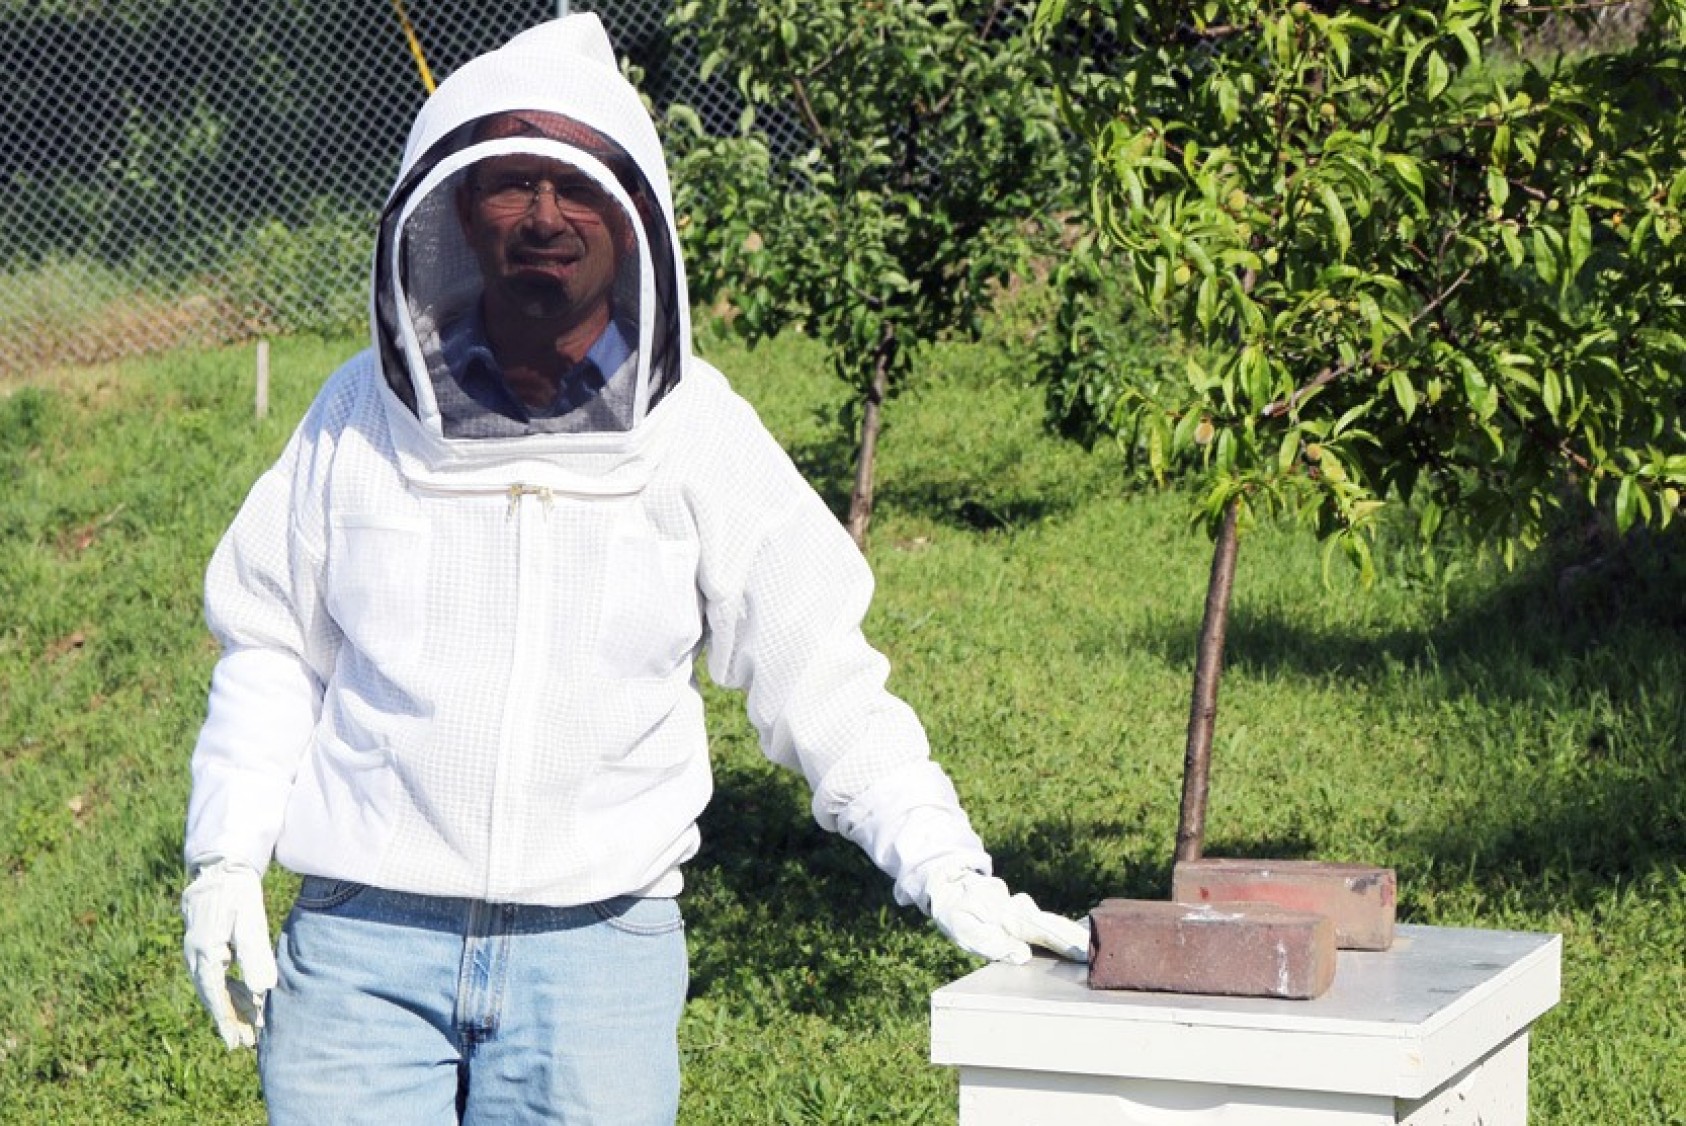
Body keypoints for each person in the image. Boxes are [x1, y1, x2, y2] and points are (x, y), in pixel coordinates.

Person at [179, 14, 1087, 1124]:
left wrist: (943, 858)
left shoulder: (696, 430)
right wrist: (224, 853)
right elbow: (272, 642)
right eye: (512, 183)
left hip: (597, 960)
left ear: (633, 219)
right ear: (458, 208)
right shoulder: (358, 416)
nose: (546, 219)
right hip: (366, 947)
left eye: (580, 190)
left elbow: (817, 668)